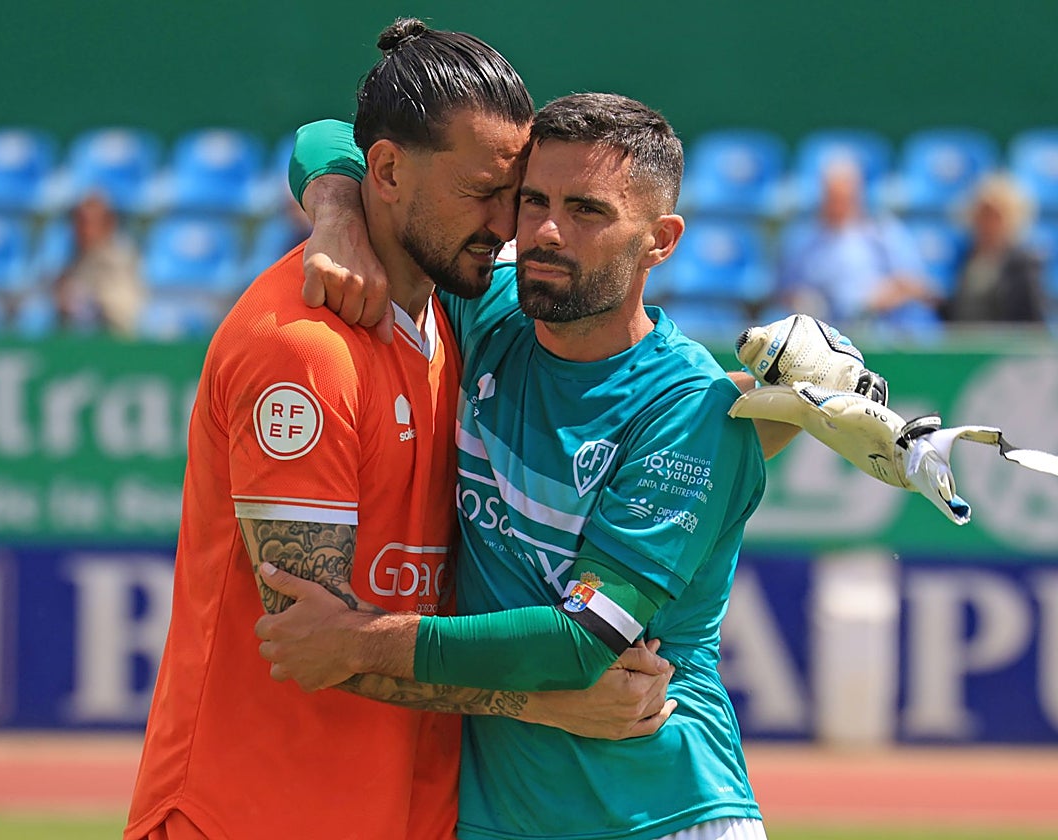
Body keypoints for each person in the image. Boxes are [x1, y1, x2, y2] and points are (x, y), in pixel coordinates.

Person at [124, 21, 679, 840]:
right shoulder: (302, 350)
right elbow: (316, 642)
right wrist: (555, 703)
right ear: (385, 169)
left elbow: (321, 144)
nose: (508, 226)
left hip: (396, 810)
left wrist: (336, 203)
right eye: (482, 193)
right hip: (248, 809)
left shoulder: (459, 314)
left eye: (514, 194)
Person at [258, 90, 776, 839]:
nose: (546, 232)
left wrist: (355, 641)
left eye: (588, 211)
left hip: (662, 807)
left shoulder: (690, 408)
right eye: (533, 201)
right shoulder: (491, 306)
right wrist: (336, 211)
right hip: (495, 820)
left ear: (660, 241)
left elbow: (580, 641)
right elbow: (329, 134)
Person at [777, 157, 939, 328]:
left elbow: (918, 286)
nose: (839, 202)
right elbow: (784, 292)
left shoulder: (884, 231)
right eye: (833, 196)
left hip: (882, 327)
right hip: (823, 331)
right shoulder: (802, 239)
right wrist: (803, 302)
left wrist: (884, 295)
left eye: (845, 194)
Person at [939, 172, 1048, 324]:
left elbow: (1032, 322)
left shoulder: (1023, 265)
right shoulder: (968, 256)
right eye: (983, 214)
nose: (987, 223)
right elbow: (959, 312)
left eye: (995, 216)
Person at [53, 193, 145, 335]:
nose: (83, 230)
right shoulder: (73, 259)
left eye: (89, 223)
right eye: (78, 222)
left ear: (108, 225)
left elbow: (123, 314)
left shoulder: (119, 260)